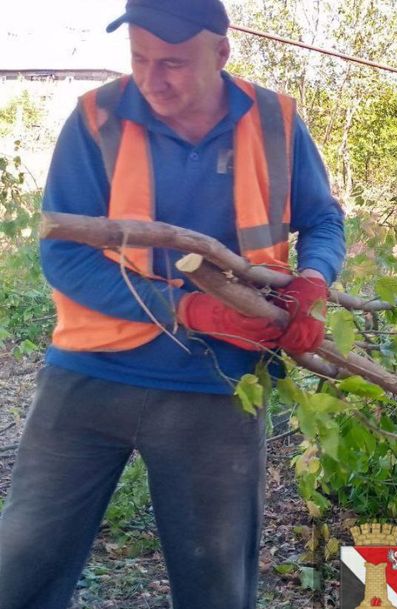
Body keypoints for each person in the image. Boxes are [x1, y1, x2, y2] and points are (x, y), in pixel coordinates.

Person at [0, 0, 345, 607]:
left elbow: (322, 219)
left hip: (218, 386)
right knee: (22, 558)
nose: (152, 79)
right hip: (89, 375)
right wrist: (185, 308)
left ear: (221, 51)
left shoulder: (274, 119)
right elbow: (65, 256)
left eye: (174, 63)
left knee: (216, 576)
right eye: (139, 59)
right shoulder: (95, 119)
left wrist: (312, 281)